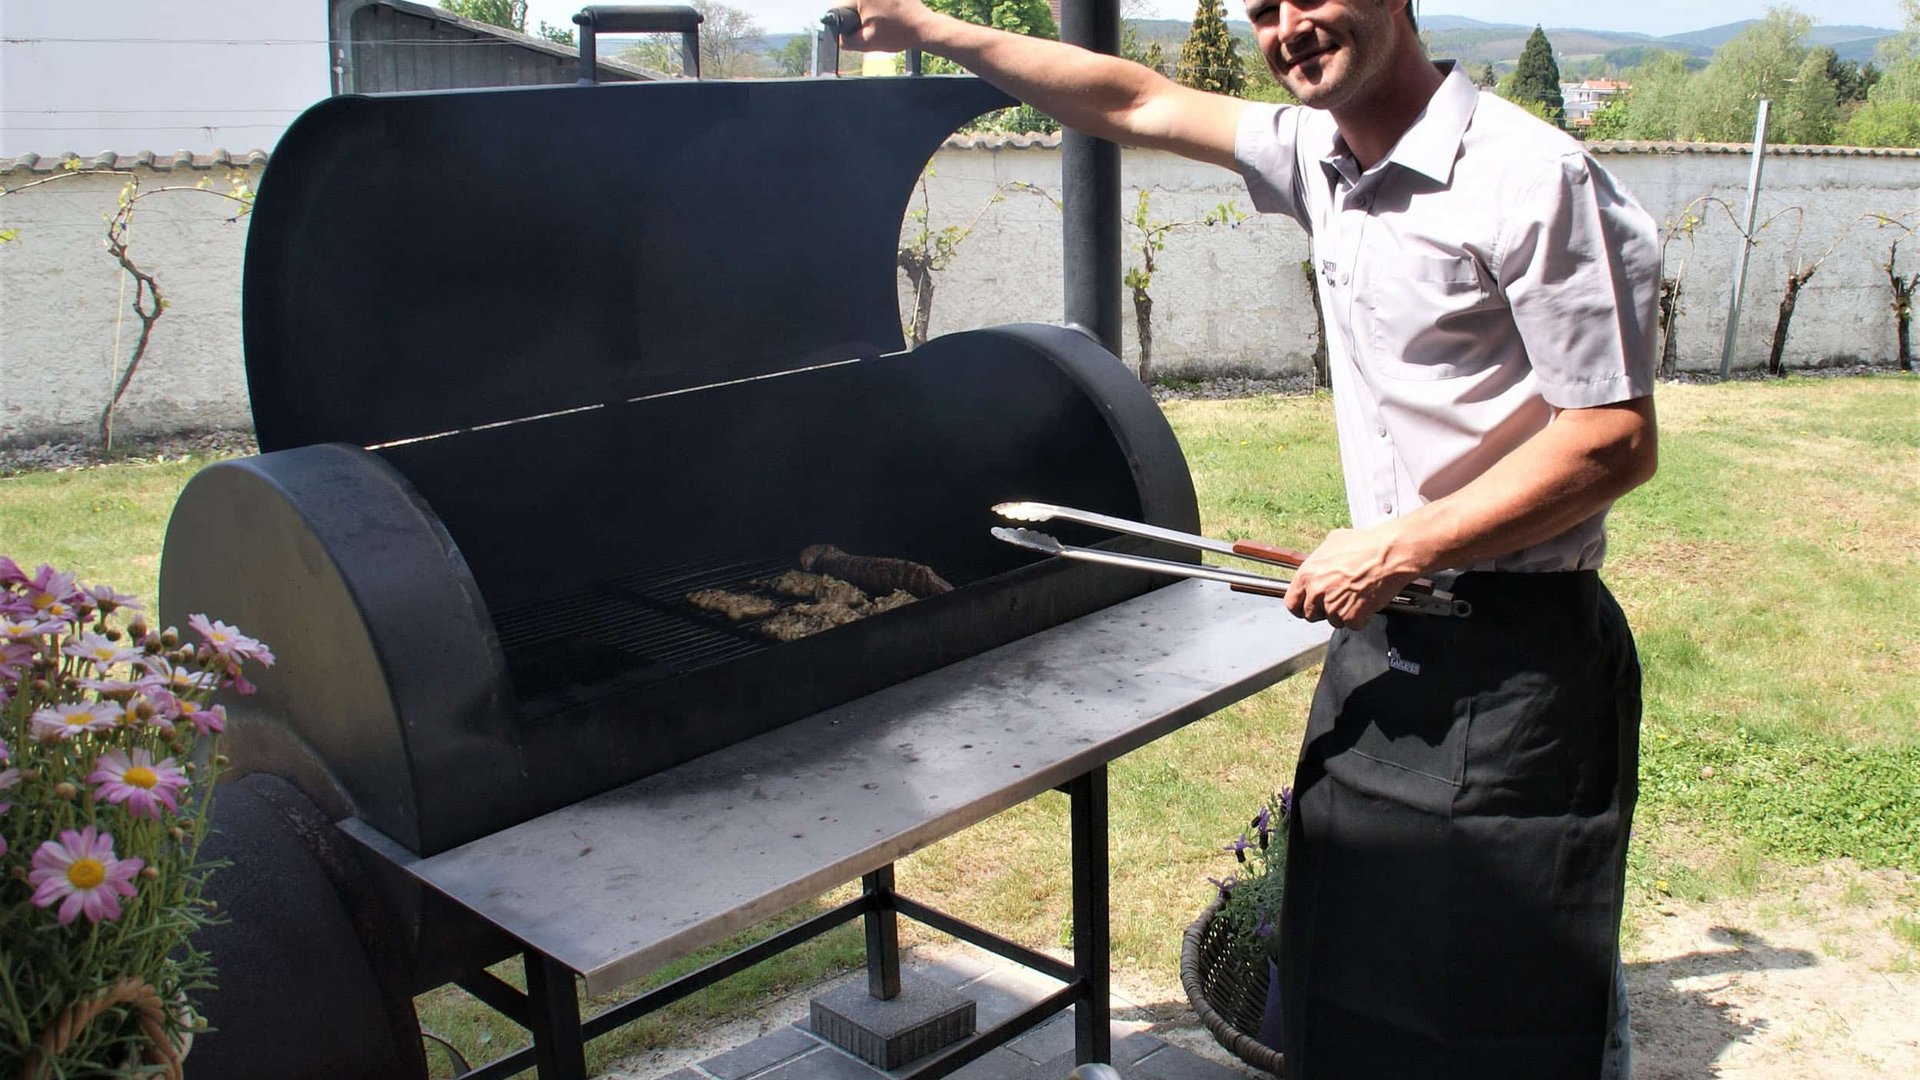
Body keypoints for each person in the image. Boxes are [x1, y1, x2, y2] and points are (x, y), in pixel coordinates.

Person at [837, 1, 1658, 1078]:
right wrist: (930, 26)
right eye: (1261, 7)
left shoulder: (1531, 175)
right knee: (1349, 962)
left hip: (1520, 655)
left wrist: (1400, 543)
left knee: (1497, 995)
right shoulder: (1318, 152)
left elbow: (1610, 439)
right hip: (1388, 634)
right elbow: (1129, 96)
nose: (1287, 24)